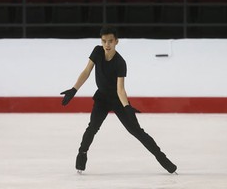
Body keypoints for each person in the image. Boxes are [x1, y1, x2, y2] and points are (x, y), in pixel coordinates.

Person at [61, 26, 177, 174]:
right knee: (92, 127)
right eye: (104, 41)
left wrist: (127, 108)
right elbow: (86, 71)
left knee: (136, 131)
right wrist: (74, 89)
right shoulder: (97, 51)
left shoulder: (120, 62)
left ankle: (163, 159)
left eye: (110, 41)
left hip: (117, 100)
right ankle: (82, 154)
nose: (107, 45)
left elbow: (120, 89)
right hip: (102, 98)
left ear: (117, 41)